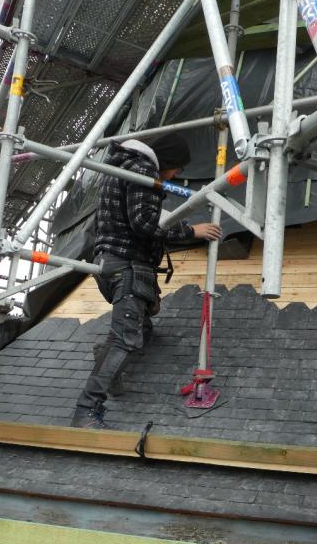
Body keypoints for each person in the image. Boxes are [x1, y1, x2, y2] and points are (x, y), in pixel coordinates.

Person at [71, 133, 221, 429]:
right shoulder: (143, 171)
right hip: (128, 265)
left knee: (142, 324)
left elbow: (131, 219)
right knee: (125, 338)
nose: (177, 174)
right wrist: (192, 232)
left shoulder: (123, 168)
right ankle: (86, 411)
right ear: (166, 161)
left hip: (109, 264)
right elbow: (143, 223)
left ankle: (108, 359)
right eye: (177, 167)